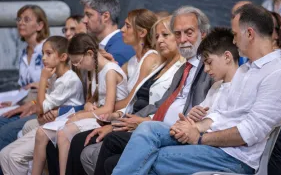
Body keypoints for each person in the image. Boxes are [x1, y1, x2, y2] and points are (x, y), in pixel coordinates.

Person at [112, 4, 281, 175]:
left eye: (235, 34)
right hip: (211, 142)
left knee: (152, 157)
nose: (233, 41)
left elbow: (249, 132)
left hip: (235, 157)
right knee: (147, 129)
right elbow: (221, 114)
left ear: (249, 34)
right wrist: (195, 127)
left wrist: (200, 138)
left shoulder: (277, 73)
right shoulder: (245, 69)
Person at [90, 27, 238, 175]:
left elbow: (234, 124)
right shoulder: (217, 86)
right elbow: (204, 114)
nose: (206, 68)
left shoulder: (242, 83)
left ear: (227, 57)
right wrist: (192, 119)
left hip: (219, 148)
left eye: (209, 62)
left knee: (149, 156)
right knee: (147, 128)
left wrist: (196, 128)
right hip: (192, 132)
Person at [44, 9, 161, 175]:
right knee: (55, 140)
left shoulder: (150, 58)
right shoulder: (133, 60)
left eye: (127, 26)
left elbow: (130, 100)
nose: (122, 30)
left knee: (78, 141)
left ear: (141, 32)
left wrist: (106, 109)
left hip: (130, 116)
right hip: (118, 114)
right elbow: (114, 80)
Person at [72, 16, 185, 175]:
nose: (159, 40)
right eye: (157, 36)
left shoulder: (178, 68)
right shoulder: (159, 64)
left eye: (165, 35)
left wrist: (119, 120)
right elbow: (134, 98)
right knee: (81, 142)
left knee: (97, 145)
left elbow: (163, 106)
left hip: (150, 125)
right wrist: (117, 117)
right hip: (133, 118)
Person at [0, 36, 84, 175]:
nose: (44, 58)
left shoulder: (68, 80)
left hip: (64, 124)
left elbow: (40, 109)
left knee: (13, 157)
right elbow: (41, 111)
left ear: (63, 56)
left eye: (49, 53)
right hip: (51, 122)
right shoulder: (56, 77)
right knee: (4, 154)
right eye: (43, 54)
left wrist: (43, 79)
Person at [0, 5, 50, 152]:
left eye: (26, 19)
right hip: (23, 100)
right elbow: (23, 86)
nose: (20, 23)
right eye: (19, 19)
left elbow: (56, 82)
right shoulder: (23, 51)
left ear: (40, 25)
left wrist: (40, 84)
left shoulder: (48, 49)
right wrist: (14, 100)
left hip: (39, 103)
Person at [81, 0, 135, 66]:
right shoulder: (114, 45)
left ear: (105, 17)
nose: (84, 20)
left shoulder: (117, 53)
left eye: (89, 15)